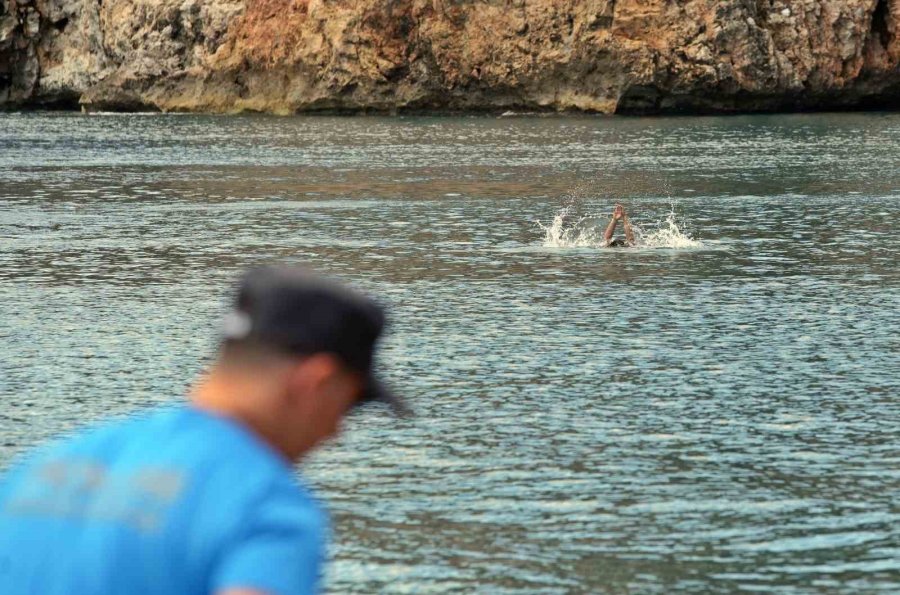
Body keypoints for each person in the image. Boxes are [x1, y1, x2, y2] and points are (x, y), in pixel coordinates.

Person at [0, 265, 408, 595]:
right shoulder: (267, 509)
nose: (336, 431)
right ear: (315, 382)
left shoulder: (38, 469)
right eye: (349, 405)